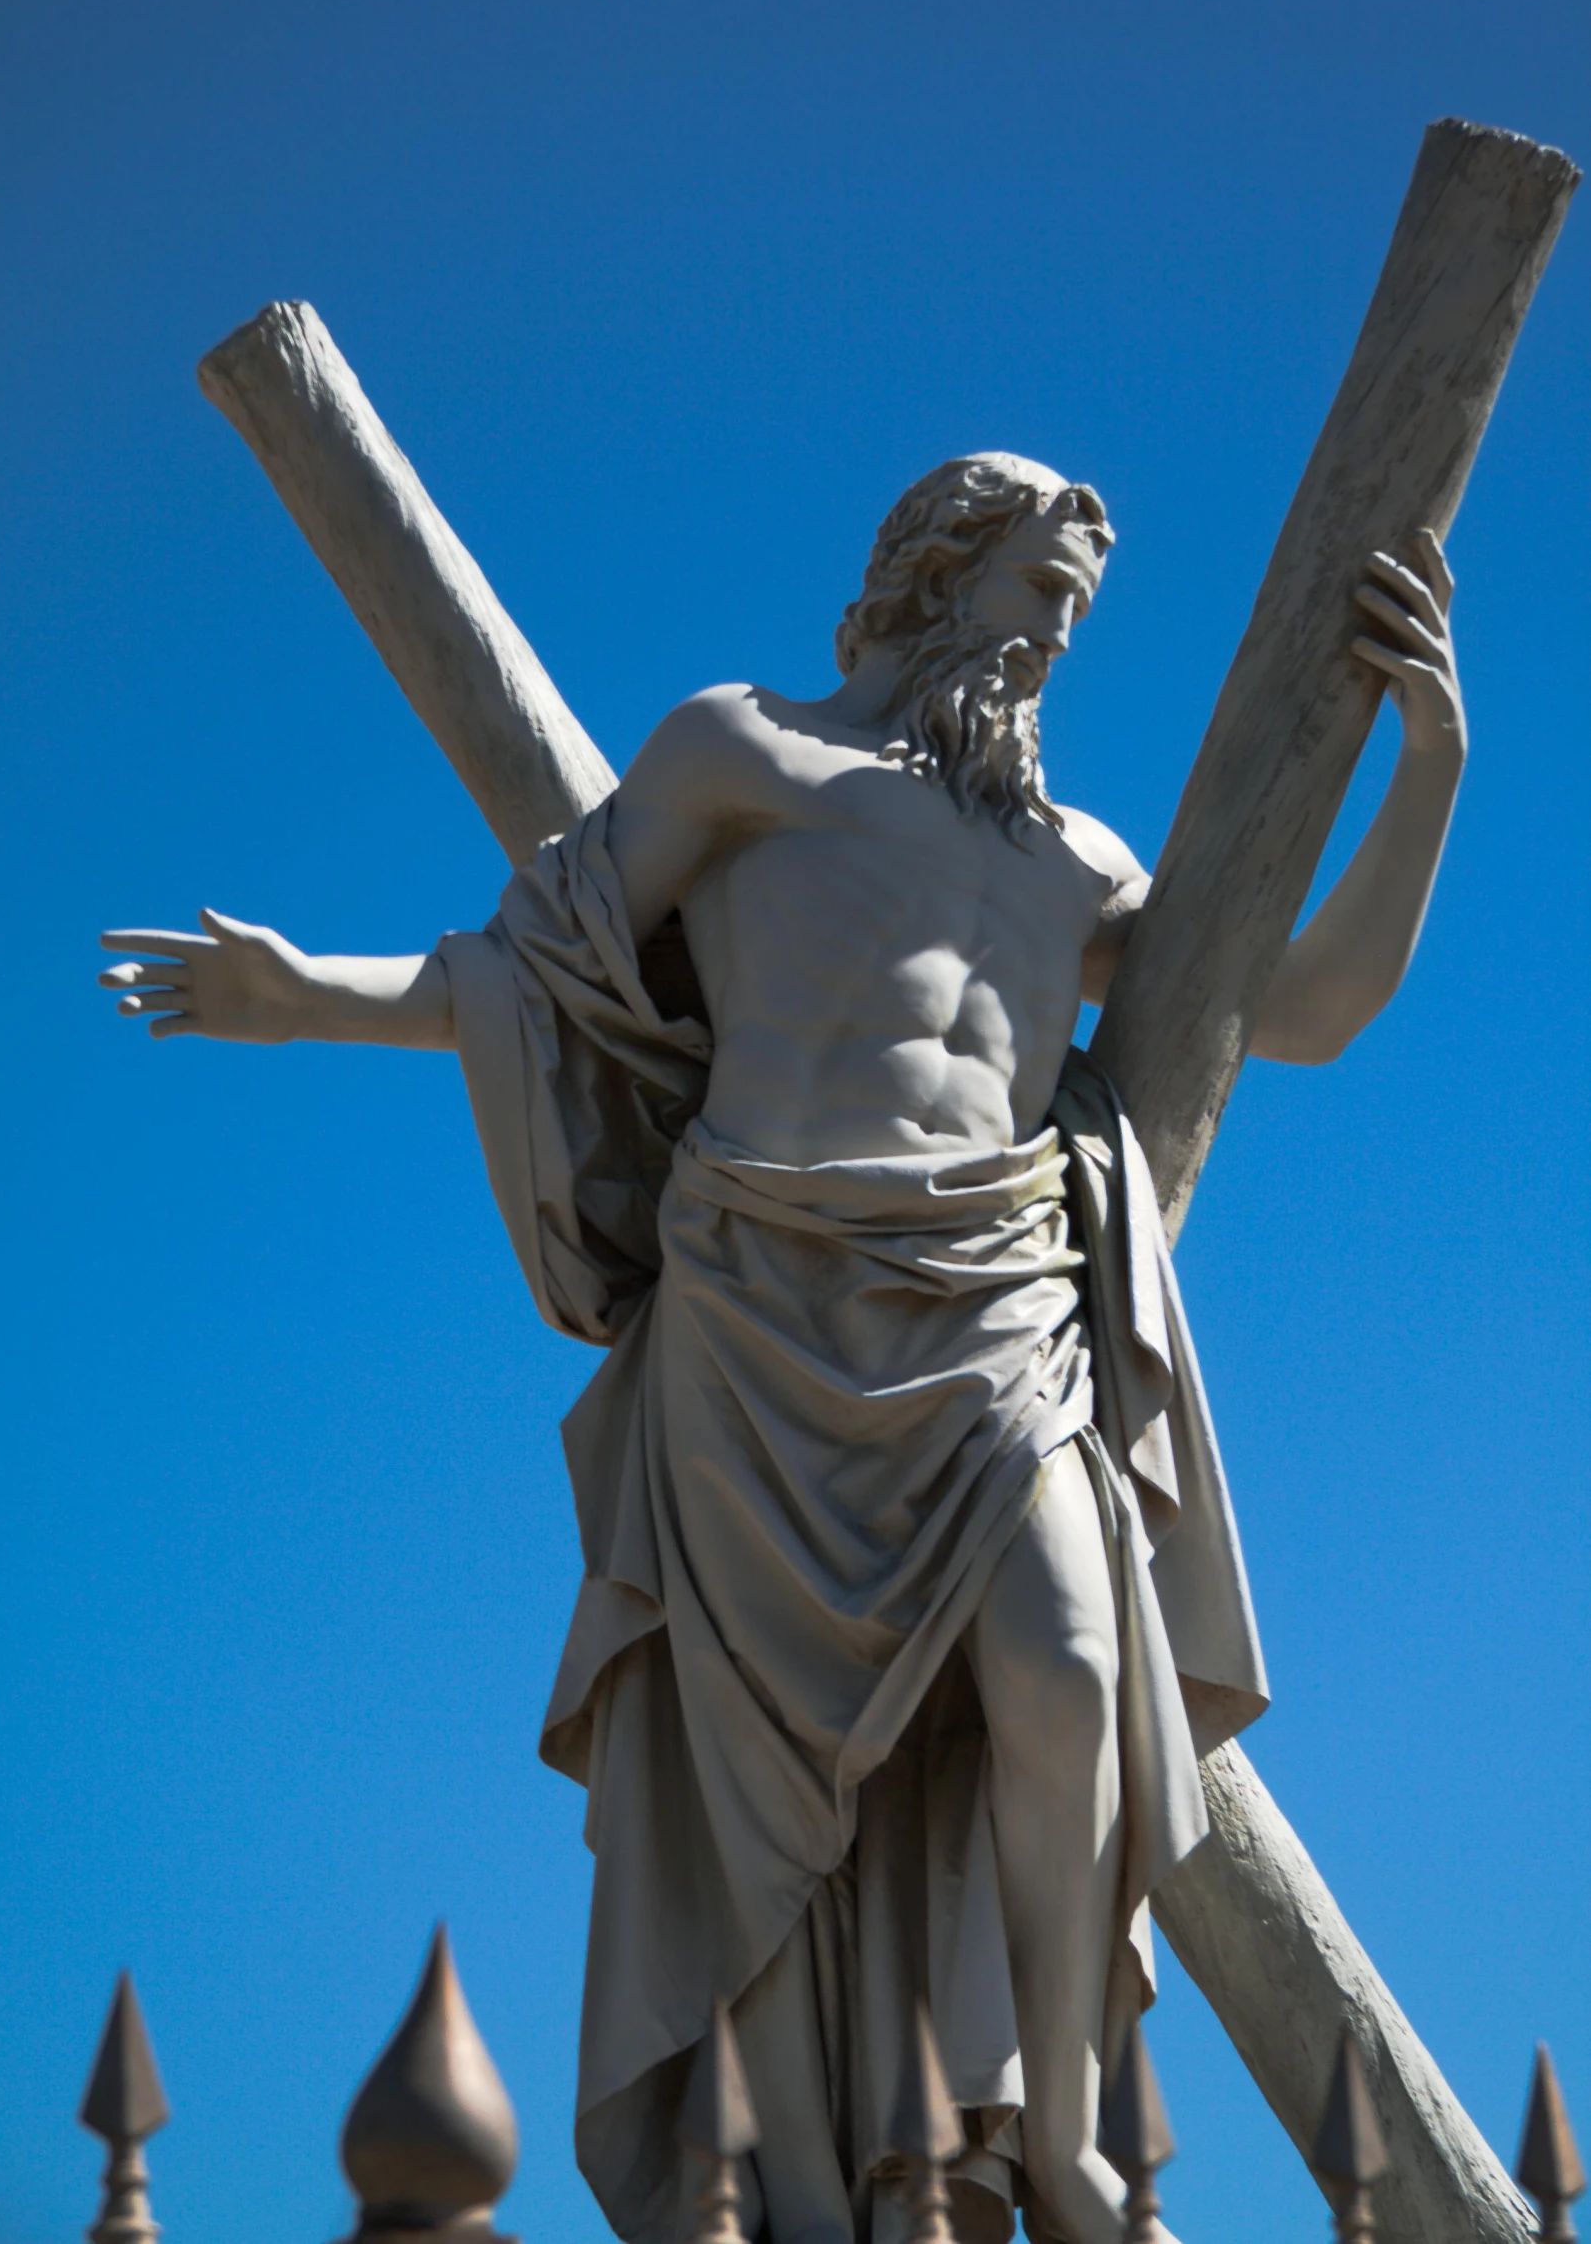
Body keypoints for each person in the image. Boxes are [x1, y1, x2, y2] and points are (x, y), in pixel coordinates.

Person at [100, 455, 1467, 2244]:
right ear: (937, 566)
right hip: (758, 1321)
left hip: (993, 1314)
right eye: (1039, 593)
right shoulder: (743, 752)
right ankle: (790, 2179)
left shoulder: (1077, 860)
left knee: (1067, 1669)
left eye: (1078, 616)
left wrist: (1425, 770)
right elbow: (534, 973)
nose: (1056, 641)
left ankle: (1056, 2132)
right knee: (760, 1797)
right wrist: (300, 1000)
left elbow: (1305, 1008)